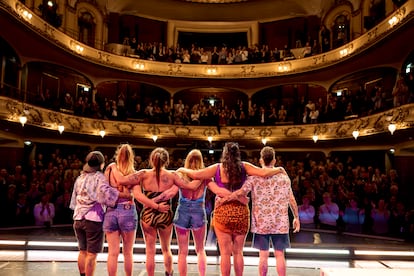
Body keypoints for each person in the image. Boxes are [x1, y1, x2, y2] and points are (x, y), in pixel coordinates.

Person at [177, 142, 286, 276]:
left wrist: (182, 169)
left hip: (223, 212)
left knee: (225, 253)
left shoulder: (217, 168)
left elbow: (196, 175)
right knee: (238, 252)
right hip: (241, 213)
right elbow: (263, 173)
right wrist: (279, 169)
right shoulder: (244, 166)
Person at [111, 147, 202, 276]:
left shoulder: (143, 174)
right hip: (165, 214)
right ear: (166, 160)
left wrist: (113, 167)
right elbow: (191, 186)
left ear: (151, 160)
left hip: (148, 214)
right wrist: (202, 174)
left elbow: (125, 183)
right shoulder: (173, 175)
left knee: (150, 251)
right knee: (166, 249)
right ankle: (169, 273)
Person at [154, 149, 232, 276]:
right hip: (198, 212)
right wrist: (235, 195)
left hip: (182, 212)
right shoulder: (205, 177)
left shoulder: (180, 175)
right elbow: (218, 191)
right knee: (200, 249)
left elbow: (170, 193)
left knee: (182, 251)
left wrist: (153, 201)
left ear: (187, 160)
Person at [225, 146, 300, 276]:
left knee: (263, 255)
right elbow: (291, 199)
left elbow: (241, 192)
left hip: (261, 223)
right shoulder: (284, 178)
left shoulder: (254, 178)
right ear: (274, 160)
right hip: (279, 222)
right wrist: (296, 217)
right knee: (280, 254)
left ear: (261, 160)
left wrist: (225, 198)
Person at [69, 151, 130, 276]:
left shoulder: (80, 178)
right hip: (93, 219)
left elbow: (74, 200)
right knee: (91, 254)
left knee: (83, 251)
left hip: (78, 218)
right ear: (101, 164)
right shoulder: (99, 177)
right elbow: (107, 196)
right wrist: (126, 195)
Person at [103, 144, 138, 276]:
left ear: (118, 155)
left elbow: (104, 192)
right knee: (128, 252)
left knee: (112, 253)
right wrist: (126, 195)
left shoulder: (110, 170)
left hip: (111, 211)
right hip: (127, 209)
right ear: (131, 157)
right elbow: (134, 195)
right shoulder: (134, 173)